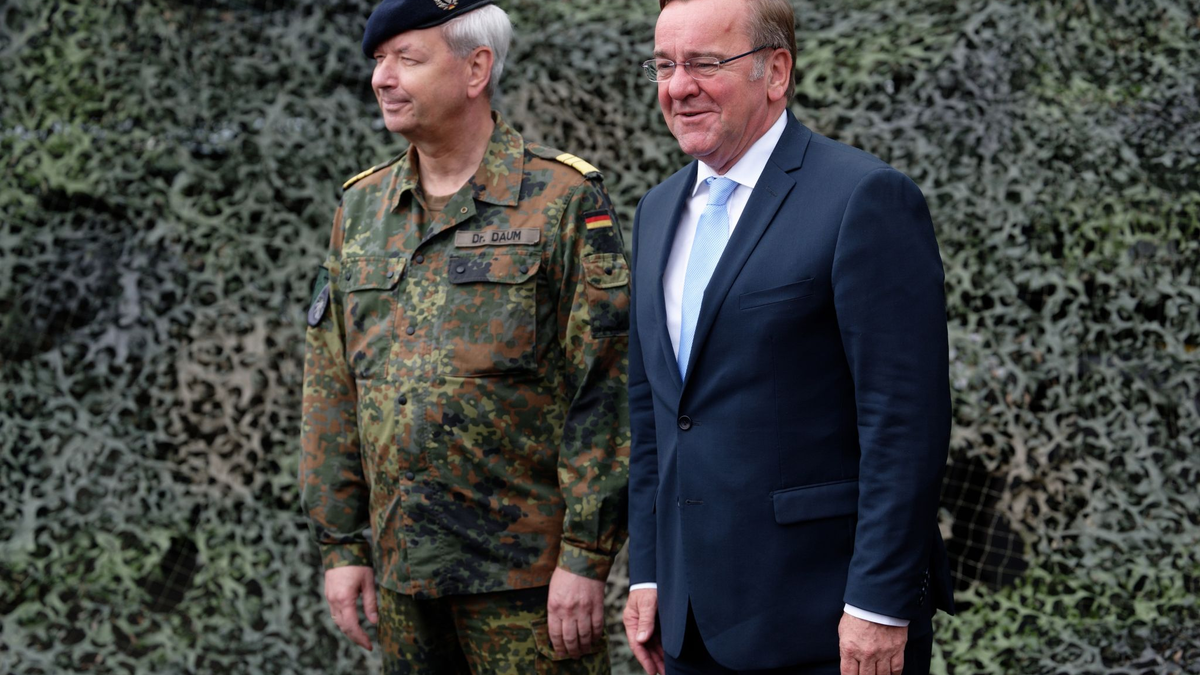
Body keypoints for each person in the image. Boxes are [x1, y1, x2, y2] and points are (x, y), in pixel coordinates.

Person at [621, 0, 954, 673]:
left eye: (704, 63)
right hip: (689, 625)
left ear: (775, 72)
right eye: (663, 65)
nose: (678, 86)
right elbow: (655, 414)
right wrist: (650, 573)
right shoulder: (657, 210)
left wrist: (879, 603)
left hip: (827, 623)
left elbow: (905, 423)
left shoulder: (864, 197)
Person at [298, 1, 630, 672]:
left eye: (407, 59)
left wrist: (586, 555)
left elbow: (607, 385)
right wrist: (341, 544)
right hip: (403, 575)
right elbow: (332, 382)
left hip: (526, 581)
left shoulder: (561, 199)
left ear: (476, 69)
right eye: (378, 61)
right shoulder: (361, 209)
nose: (382, 78)